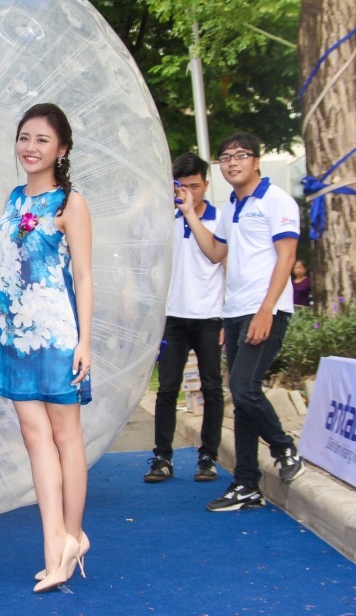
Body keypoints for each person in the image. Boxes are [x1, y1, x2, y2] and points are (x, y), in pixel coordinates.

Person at [0, 103, 92, 593]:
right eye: (24, 138)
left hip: (53, 333)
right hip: (11, 331)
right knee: (34, 436)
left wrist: (84, 341)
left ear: (62, 149)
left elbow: (85, 276)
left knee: (66, 436)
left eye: (42, 140)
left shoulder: (70, 202)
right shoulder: (14, 198)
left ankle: (68, 539)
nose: (30, 148)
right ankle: (60, 544)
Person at [176, 133, 306, 513]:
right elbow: (216, 253)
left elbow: (286, 257)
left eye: (241, 156)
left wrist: (267, 310)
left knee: (247, 390)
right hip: (233, 314)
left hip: (263, 310)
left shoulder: (276, 200)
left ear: (256, 160)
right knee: (243, 400)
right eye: (226, 157)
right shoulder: (230, 206)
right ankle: (247, 483)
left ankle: (284, 448)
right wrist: (188, 213)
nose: (232, 162)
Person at [145, 154, 225, 484]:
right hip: (173, 316)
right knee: (167, 389)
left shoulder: (221, 219)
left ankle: (208, 456)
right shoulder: (166, 221)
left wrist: (226, 320)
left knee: (212, 387)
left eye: (195, 185)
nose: (188, 192)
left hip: (209, 315)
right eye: (182, 187)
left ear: (205, 184)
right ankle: (162, 456)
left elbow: (221, 260)